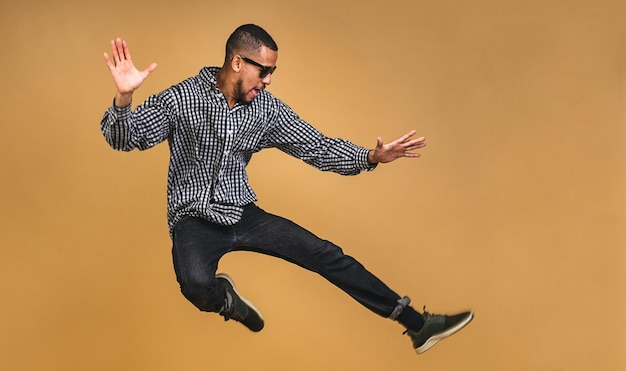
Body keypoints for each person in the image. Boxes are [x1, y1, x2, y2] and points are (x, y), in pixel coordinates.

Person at [100, 24, 473, 354]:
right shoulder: (182, 98)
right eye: (264, 71)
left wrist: (371, 156)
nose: (268, 81)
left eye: (272, 72)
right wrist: (124, 99)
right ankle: (226, 300)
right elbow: (127, 137)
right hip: (194, 218)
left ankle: (418, 325)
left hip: (241, 213)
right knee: (196, 285)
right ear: (237, 63)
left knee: (326, 254)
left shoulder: (266, 111)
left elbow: (319, 147)